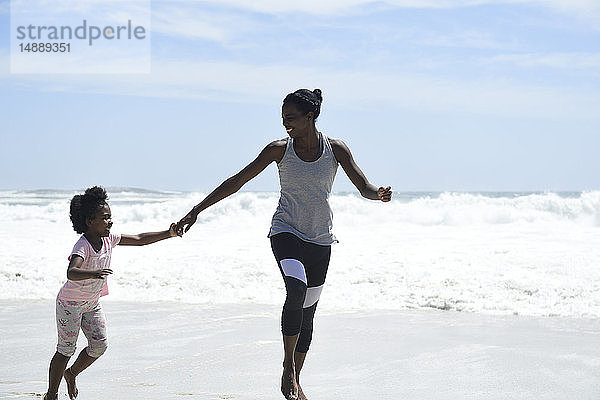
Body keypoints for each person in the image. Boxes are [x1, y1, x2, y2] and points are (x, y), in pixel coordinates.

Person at [176, 88, 392, 400]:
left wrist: (379, 195)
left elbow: (364, 187)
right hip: (286, 231)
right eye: (282, 118)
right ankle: (287, 367)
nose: (285, 124)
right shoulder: (279, 149)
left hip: (320, 239)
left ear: (310, 116)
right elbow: (236, 181)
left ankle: (297, 380)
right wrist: (195, 211)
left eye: (291, 118)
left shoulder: (336, 149)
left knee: (307, 315)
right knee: (296, 289)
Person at [43, 186, 179, 400]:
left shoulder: (109, 239)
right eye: (105, 218)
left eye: (110, 217)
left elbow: (140, 238)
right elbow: (71, 272)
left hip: (91, 303)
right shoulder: (83, 246)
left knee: (99, 346)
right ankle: (51, 394)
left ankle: (72, 374)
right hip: (69, 304)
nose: (110, 222)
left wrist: (169, 233)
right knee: (65, 350)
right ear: (90, 221)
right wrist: (94, 272)